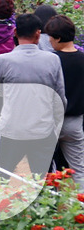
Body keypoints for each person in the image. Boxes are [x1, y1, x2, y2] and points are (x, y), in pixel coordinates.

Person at [0, 14, 67, 178]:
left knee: (0, 178)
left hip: (11, 129)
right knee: (44, 181)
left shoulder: (4, 60)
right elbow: (60, 99)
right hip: (42, 129)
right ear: (38, 34)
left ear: (15, 32)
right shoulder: (52, 60)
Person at [45, 16, 84, 185]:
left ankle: (50, 204)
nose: (50, 42)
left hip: (50, 121)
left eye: (51, 38)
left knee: (47, 167)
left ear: (58, 38)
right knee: (79, 169)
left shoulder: (50, 60)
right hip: (75, 122)